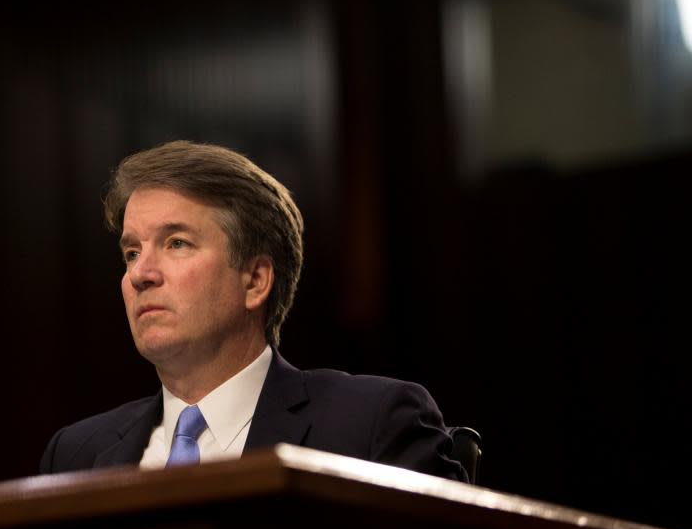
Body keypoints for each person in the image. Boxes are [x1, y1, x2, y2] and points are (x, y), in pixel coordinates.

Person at [40, 141, 466, 482]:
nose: (140, 274)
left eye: (176, 244)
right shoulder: (76, 453)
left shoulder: (369, 425)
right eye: (131, 253)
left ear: (255, 280)